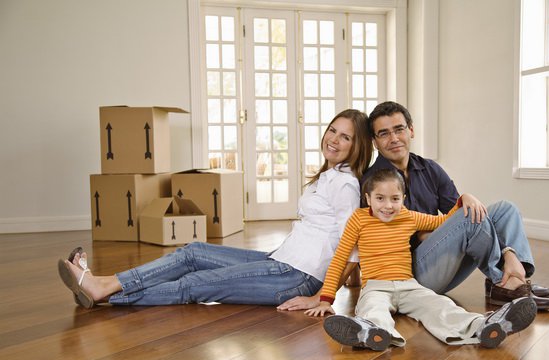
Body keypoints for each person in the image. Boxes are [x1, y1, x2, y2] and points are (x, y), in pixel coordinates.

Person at [57, 109, 372, 308]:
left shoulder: (345, 184)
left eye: (345, 137)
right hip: (280, 261)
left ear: (357, 147)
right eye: (333, 130)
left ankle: (105, 292)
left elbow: (353, 244)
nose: (334, 139)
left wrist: (323, 296)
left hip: (294, 276)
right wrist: (350, 281)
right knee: (192, 253)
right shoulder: (329, 177)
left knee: (193, 286)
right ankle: (105, 284)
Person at [306, 169, 537, 350]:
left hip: (409, 285)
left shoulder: (408, 216)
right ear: (368, 198)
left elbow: (444, 224)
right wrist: (326, 298)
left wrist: (462, 200)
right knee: (371, 308)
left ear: (403, 198)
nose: (388, 206)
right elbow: (340, 257)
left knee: (440, 306)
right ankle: (372, 332)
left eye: (395, 198)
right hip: (376, 286)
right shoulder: (358, 219)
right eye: (380, 198)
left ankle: (481, 326)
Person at [361, 101, 549, 310]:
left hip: (441, 258)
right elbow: (385, 240)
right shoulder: (372, 182)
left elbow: (457, 217)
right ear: (375, 142)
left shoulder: (430, 168)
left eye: (399, 129)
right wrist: (427, 232)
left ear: (411, 130)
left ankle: (508, 279)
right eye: (384, 133)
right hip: (408, 276)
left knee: (504, 210)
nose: (393, 139)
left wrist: (466, 198)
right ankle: (508, 282)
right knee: (468, 218)